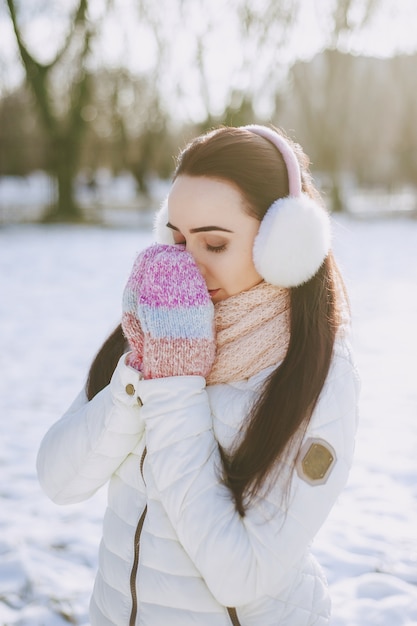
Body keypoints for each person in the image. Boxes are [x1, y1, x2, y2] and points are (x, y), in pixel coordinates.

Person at [37, 124, 360, 626]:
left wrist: (172, 387)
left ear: (283, 245)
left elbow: (241, 574)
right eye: (177, 239)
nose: (187, 268)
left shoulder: (315, 374)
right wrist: (138, 377)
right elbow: (59, 481)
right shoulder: (153, 329)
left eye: (214, 244)